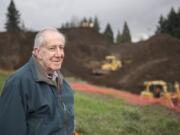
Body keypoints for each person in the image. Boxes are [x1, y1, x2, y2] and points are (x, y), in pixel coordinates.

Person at [0, 28, 74, 135]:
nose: (59, 54)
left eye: (61, 48)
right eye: (52, 48)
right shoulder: (18, 84)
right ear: (37, 52)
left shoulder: (62, 83)